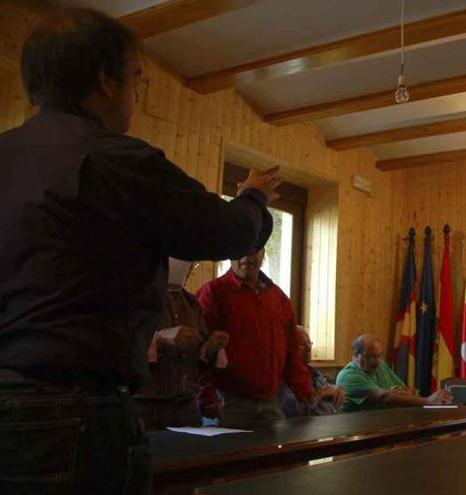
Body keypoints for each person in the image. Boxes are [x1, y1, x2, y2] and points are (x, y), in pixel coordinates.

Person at [0, 8, 279, 494]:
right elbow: (226, 231)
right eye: (136, 79)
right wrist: (253, 196)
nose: (135, 93)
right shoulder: (115, 160)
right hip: (74, 414)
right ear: (108, 80)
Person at [197, 248, 314, 428]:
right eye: (240, 250)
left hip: (271, 402)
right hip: (226, 404)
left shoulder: (279, 298)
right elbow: (200, 350)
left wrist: (303, 388)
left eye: (253, 251)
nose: (245, 257)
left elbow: (292, 349)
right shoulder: (213, 293)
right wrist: (206, 397)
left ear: (263, 252)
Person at [134, 258, 229, 429]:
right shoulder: (137, 300)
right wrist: (159, 338)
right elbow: (123, 349)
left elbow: (199, 363)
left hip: (186, 408)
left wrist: (209, 349)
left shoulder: (191, 304)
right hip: (147, 408)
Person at [336, 334, 452, 412]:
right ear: (356, 355)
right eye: (370, 357)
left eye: (379, 356)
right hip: (360, 431)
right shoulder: (348, 376)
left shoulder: (381, 366)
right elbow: (383, 397)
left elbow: (407, 389)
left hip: (387, 424)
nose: (376, 362)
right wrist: (427, 401)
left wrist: (404, 392)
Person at [280, 326, 345, 417]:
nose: (309, 349)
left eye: (309, 344)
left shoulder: (313, 372)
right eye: (302, 345)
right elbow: (296, 412)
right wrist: (320, 394)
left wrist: (338, 389)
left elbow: (328, 388)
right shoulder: (284, 377)